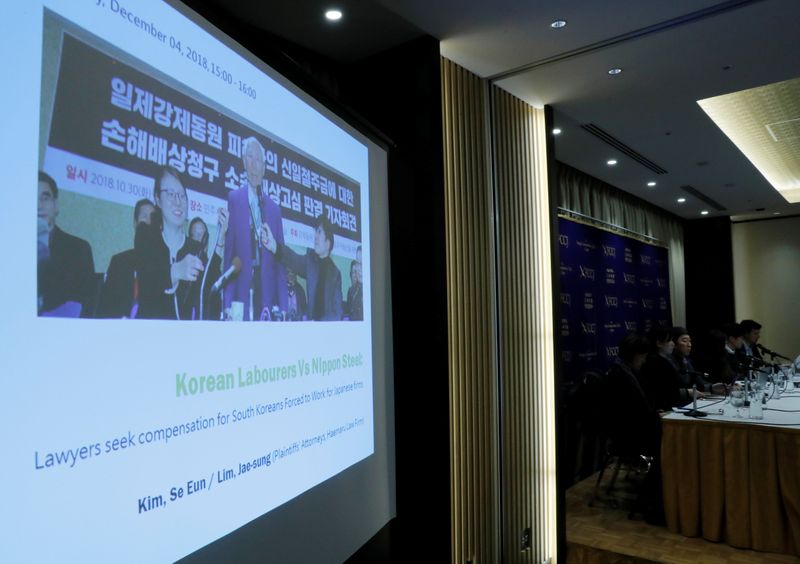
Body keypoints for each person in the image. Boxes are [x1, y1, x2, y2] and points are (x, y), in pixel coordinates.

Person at [223, 136, 287, 320]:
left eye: (259, 160)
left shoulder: (274, 210)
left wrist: (283, 306)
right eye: (250, 157)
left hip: (267, 296)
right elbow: (229, 257)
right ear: (244, 162)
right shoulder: (234, 199)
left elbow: (280, 261)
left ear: (264, 168)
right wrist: (227, 303)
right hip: (241, 294)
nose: (254, 165)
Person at [134, 166, 206, 320]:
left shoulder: (195, 249)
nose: (178, 202)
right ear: (158, 199)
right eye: (171, 194)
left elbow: (203, 300)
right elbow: (146, 286)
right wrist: (176, 271)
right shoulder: (146, 237)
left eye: (182, 195)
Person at [37, 171, 95, 317]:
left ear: (56, 205)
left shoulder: (78, 249)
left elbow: (86, 303)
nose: (38, 205)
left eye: (45, 198)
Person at [263, 215, 343, 321]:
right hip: (311, 329)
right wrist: (274, 246)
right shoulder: (311, 261)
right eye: (315, 232)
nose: (315, 236)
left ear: (328, 243)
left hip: (327, 330)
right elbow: (292, 258)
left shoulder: (335, 274)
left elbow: (337, 312)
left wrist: (320, 325)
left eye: (319, 232)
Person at [96, 198, 155, 318]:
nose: (149, 222)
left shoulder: (163, 265)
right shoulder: (119, 262)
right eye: (144, 216)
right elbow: (104, 309)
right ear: (135, 223)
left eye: (153, 218)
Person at [186, 215, 227, 320]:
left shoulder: (212, 267)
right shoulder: (185, 267)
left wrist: (221, 235)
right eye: (197, 235)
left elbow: (212, 269)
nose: (201, 239)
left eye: (203, 235)